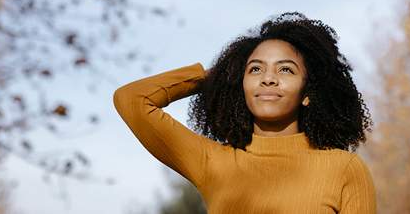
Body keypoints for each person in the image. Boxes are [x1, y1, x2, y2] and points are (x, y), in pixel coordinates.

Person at [113, 12, 376, 213]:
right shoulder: (213, 162)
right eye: (255, 70)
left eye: (285, 69)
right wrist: (217, 77)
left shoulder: (344, 168)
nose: (268, 79)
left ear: (309, 93)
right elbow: (132, 99)